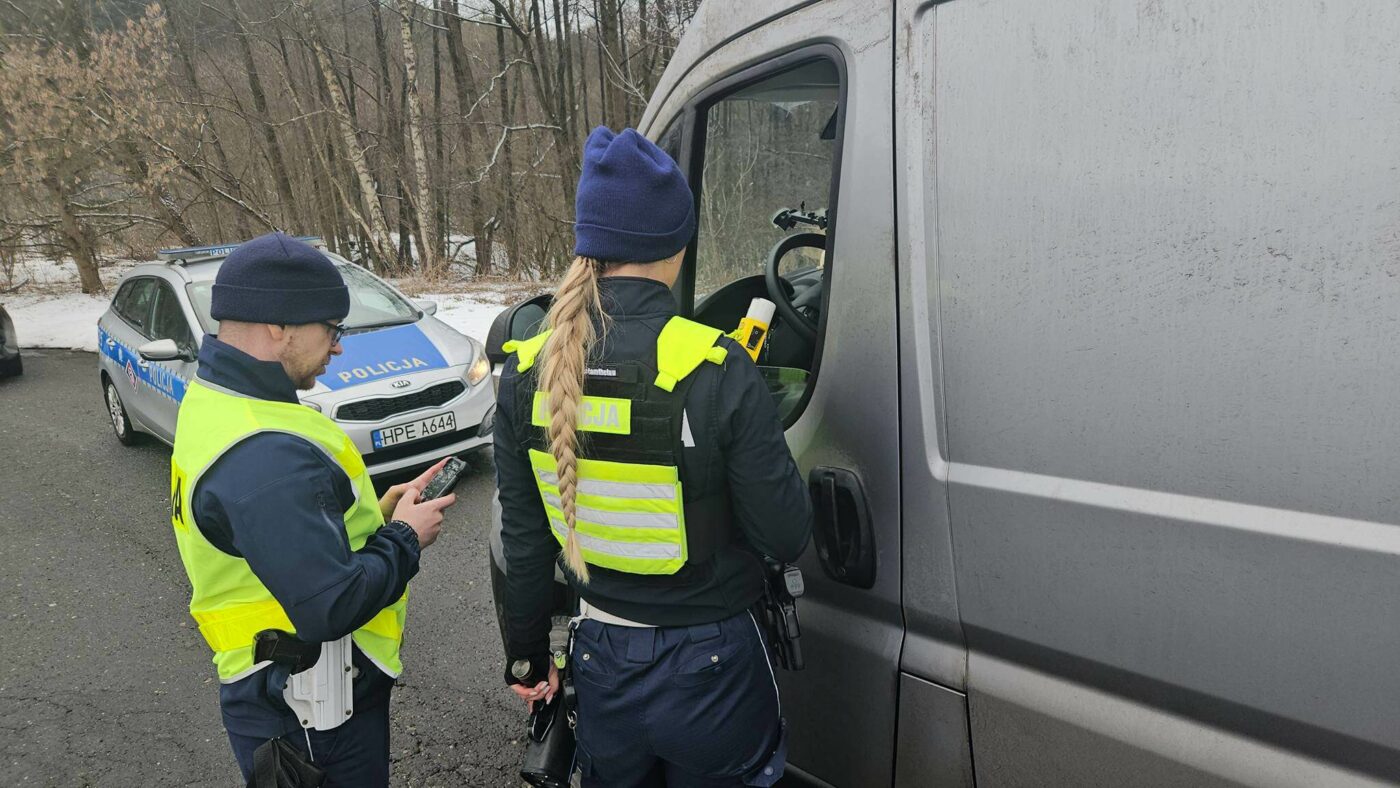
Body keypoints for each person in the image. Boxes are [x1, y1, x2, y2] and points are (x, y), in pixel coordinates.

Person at [495, 127, 813, 787]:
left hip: (603, 659)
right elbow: (786, 533)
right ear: (677, 243)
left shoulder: (527, 368)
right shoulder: (714, 363)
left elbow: (524, 541)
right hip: (714, 663)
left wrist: (528, 659)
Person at [168, 232, 456, 785]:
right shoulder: (266, 451)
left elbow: (283, 534)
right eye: (331, 328)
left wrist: (383, 511)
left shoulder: (221, 401)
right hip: (310, 713)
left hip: (278, 695)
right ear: (279, 328)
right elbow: (331, 605)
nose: (339, 346)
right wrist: (404, 538)